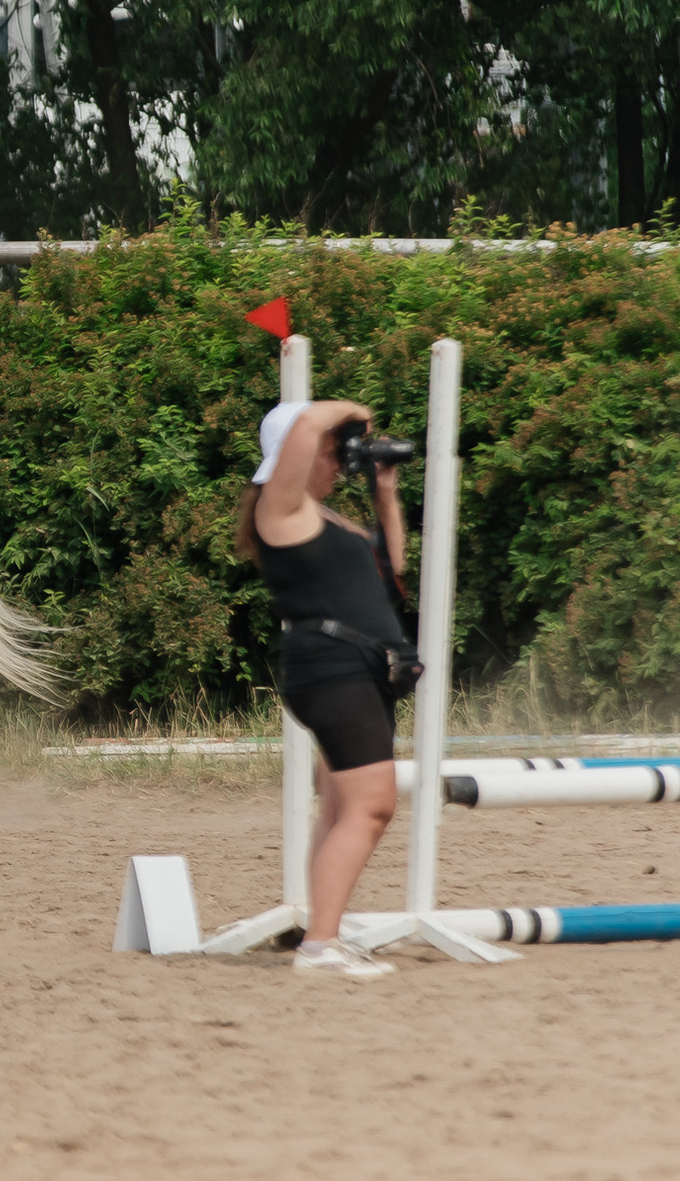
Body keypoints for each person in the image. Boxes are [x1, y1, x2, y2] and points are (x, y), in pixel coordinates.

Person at [239, 398, 412, 979]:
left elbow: (393, 571)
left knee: (342, 808)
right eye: (334, 455)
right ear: (302, 450)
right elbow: (309, 422)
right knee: (372, 807)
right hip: (333, 668)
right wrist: (352, 411)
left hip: (357, 668)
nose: (340, 465)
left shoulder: (325, 518)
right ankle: (321, 945)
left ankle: (323, 931)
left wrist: (383, 490)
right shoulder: (279, 507)